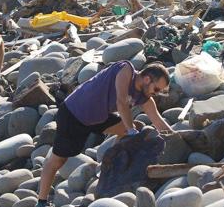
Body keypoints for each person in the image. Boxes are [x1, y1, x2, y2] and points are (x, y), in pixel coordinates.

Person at [35, 62, 173, 207]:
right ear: (147, 79)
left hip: (97, 117)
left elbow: (157, 120)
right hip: (73, 113)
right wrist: (132, 131)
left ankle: (109, 164)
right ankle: (41, 202)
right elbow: (121, 102)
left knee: (127, 129)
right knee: (58, 160)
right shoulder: (126, 69)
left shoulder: (144, 97)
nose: (156, 93)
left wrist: (177, 137)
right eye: (156, 89)